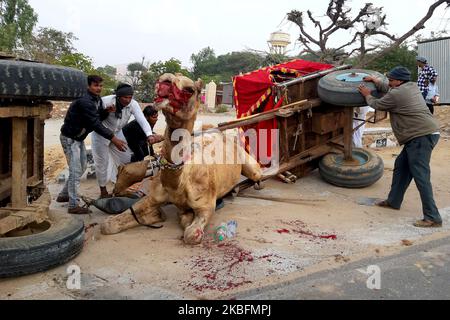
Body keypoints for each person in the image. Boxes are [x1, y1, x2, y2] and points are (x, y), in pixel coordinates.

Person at [358, 66, 442, 228]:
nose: (388, 82)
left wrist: (367, 95)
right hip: (423, 134)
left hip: (420, 136)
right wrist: (376, 81)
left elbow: (378, 104)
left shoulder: (397, 93)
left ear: (398, 81)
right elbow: (388, 88)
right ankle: (393, 201)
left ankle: (433, 217)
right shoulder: (410, 86)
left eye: (390, 79)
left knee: (421, 176)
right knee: (401, 167)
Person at [57, 76, 127, 214]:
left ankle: (64, 195)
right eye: (96, 85)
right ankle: (73, 205)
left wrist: (106, 112)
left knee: (81, 168)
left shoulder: (96, 100)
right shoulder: (85, 101)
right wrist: (114, 138)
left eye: (100, 85)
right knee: (76, 171)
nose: (99, 88)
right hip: (70, 139)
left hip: (78, 139)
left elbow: (96, 117)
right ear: (88, 86)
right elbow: (95, 124)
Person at [91, 83, 158, 198]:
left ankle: (119, 184)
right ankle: (103, 191)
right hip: (101, 135)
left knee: (126, 158)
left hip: (117, 132)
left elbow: (142, 120)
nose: (128, 100)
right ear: (118, 96)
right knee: (102, 163)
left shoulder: (133, 104)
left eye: (130, 97)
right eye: (125, 97)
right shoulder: (106, 101)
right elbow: (94, 120)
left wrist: (149, 134)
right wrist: (106, 112)